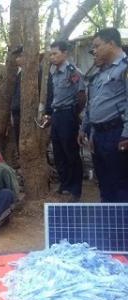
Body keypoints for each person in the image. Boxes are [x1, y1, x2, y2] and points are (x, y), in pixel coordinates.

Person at [79, 28, 128, 202]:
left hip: (117, 133)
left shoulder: (125, 68)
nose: (95, 50)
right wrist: (89, 130)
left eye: (97, 46)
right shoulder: (101, 73)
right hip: (99, 135)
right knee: (104, 181)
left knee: (120, 183)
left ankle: (123, 225)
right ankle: (108, 222)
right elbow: (93, 105)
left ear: (112, 43)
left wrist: (126, 135)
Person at [43, 40, 86, 202]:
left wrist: (73, 114)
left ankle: (76, 189)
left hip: (68, 114)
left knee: (71, 152)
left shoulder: (72, 72)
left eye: (55, 53)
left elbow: (82, 96)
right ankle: (65, 184)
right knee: (59, 151)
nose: (52, 57)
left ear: (65, 53)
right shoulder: (54, 72)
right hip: (56, 115)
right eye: (51, 54)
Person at [10, 45, 24, 151]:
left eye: (20, 56)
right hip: (17, 113)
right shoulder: (20, 73)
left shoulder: (37, 71)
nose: (17, 59)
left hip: (26, 114)